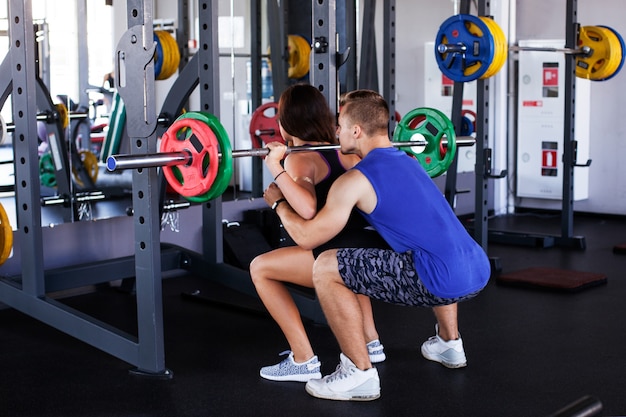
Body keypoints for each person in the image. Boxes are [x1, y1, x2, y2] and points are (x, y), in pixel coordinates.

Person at [263, 89, 491, 401]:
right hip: (477, 268)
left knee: (327, 265)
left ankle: (358, 372)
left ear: (356, 130)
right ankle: (450, 343)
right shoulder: (411, 163)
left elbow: (307, 237)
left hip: (438, 279)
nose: (336, 131)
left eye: (340, 125)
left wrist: (278, 202)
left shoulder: (356, 179)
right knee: (431, 244)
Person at [249, 84, 390, 383]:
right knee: (351, 272)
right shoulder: (344, 151)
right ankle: (371, 342)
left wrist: (276, 171)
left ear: (286, 121)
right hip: (361, 245)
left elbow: (308, 208)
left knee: (260, 268)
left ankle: (302, 359)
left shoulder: (300, 157)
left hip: (330, 252)